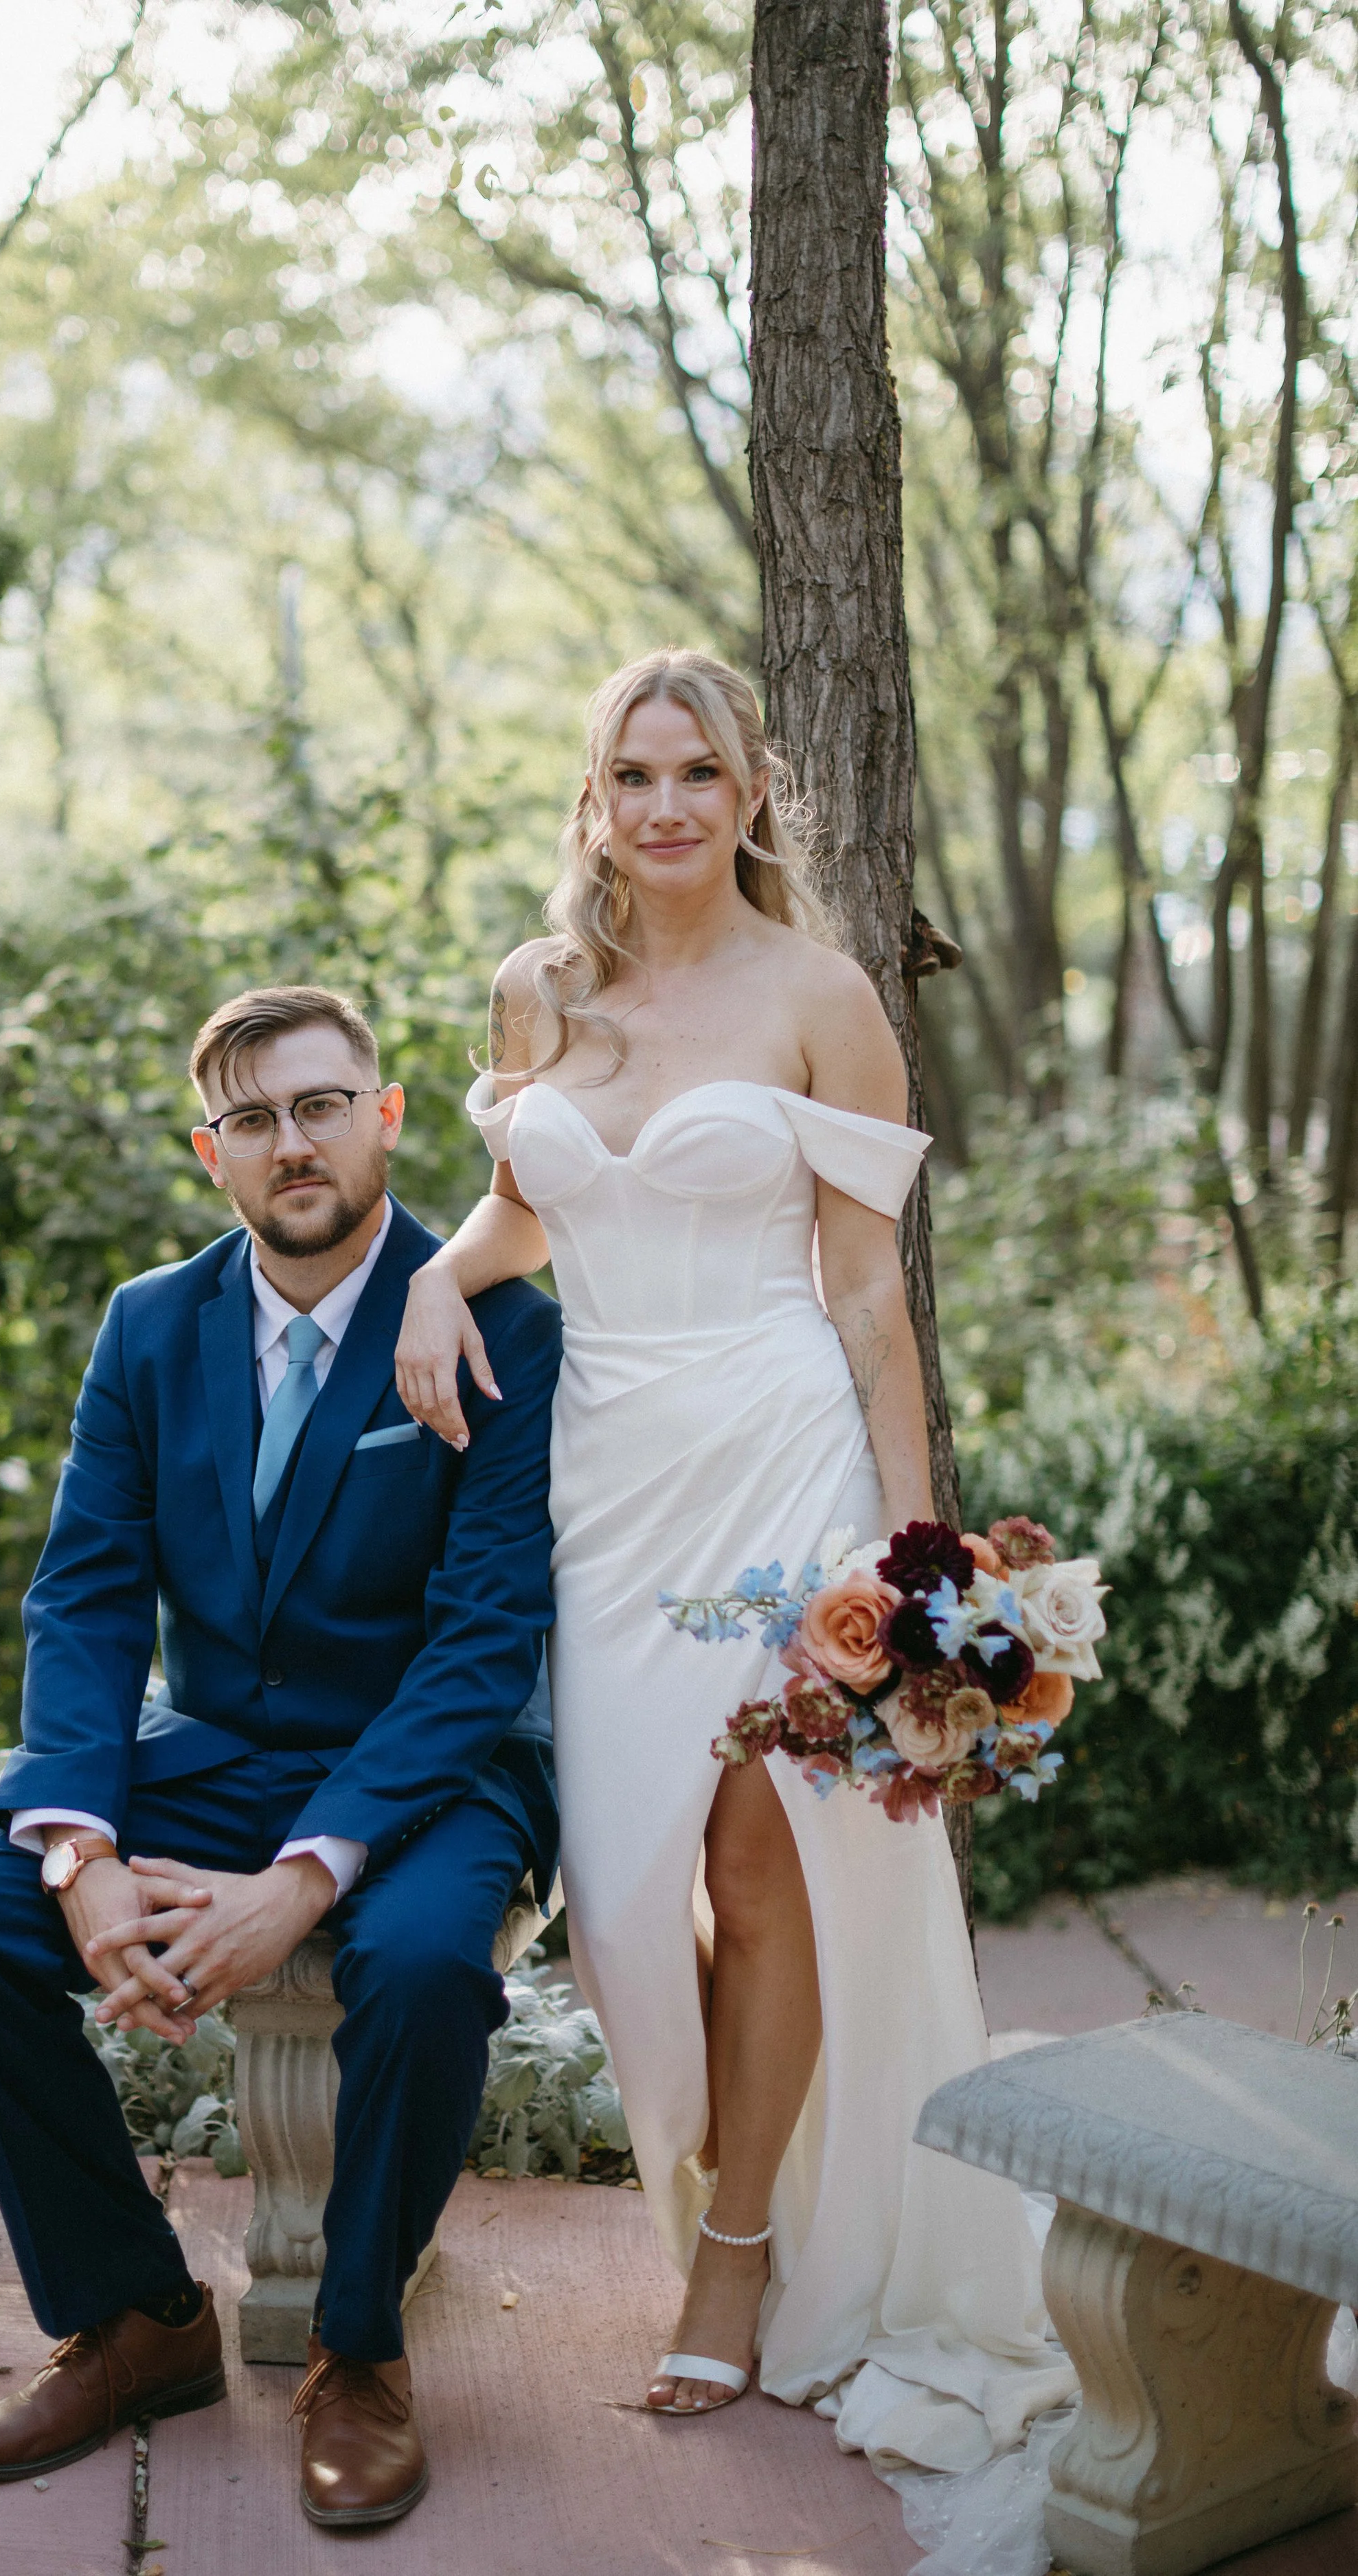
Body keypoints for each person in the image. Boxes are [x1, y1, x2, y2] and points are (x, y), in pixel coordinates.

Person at [393, 651, 1073, 2468]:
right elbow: (534, 1202)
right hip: (609, 1491)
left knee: (761, 1873)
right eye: (637, 770)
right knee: (620, 1901)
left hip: (781, 1469)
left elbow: (866, 1287)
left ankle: (738, 2250)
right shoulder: (538, 988)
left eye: (701, 768)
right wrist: (432, 1275)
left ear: (754, 788)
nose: (670, 801)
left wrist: (916, 1562)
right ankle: (729, 2177)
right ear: (594, 794)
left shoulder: (818, 994)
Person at [0, 984, 561, 2532]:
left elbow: (479, 1644)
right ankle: (140, 2322)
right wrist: (83, 1852)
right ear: (213, 1155)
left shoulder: (499, 1325)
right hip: (217, 1746)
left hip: (435, 1770)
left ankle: (357, 2353)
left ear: (383, 1118)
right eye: (252, 1119)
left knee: (426, 1965)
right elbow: (87, 1593)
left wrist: (299, 1881)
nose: (292, 1142)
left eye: (321, 1104)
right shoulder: (149, 1324)